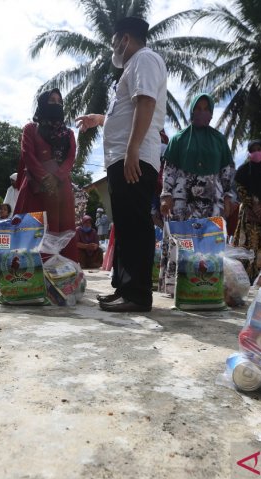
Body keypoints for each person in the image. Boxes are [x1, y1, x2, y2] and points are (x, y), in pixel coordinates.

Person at [76, 16, 167, 312]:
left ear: (125, 39)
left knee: (136, 224)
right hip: (122, 157)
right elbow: (126, 112)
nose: (114, 48)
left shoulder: (145, 59)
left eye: (115, 42)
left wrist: (133, 149)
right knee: (125, 225)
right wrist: (100, 119)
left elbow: (146, 103)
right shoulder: (132, 67)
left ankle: (138, 295)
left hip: (134, 156)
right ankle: (125, 288)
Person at [157, 93, 235, 295]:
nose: (201, 113)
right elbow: (169, 171)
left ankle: (207, 287)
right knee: (183, 240)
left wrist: (229, 196)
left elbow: (227, 172)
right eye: (197, 108)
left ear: (211, 114)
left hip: (212, 201)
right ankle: (179, 289)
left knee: (208, 242)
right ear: (191, 111)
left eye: (205, 109)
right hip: (183, 202)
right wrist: (166, 195)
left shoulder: (219, 140)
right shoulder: (179, 139)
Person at [14, 88, 79, 262]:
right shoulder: (30, 129)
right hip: (35, 190)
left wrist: (56, 176)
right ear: (42, 104)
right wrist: (45, 177)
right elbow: (28, 154)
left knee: (61, 231)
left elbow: (71, 157)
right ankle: (27, 279)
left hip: (60, 190)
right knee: (31, 231)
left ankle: (61, 278)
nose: (56, 104)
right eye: (52, 101)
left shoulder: (68, 134)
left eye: (59, 102)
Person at [233, 140, 261, 282]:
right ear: (249, 152)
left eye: (259, 149)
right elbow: (240, 189)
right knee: (249, 247)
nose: (256, 152)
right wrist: (253, 206)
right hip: (249, 215)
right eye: (253, 150)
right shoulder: (243, 171)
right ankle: (245, 280)